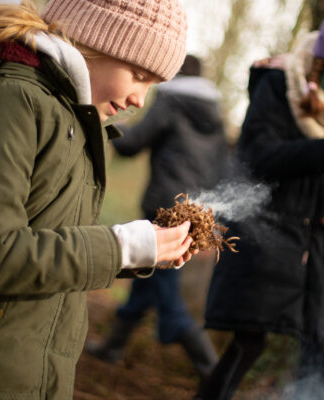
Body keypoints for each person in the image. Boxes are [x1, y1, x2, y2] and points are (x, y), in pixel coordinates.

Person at [0, 0, 193, 398]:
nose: (139, 100)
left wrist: (140, 250)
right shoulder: (14, 100)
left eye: (153, 85)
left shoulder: (82, 126)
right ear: (95, 42)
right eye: (138, 75)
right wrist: (120, 247)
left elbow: (51, 244)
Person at [200, 1, 324, 399]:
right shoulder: (279, 85)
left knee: (315, 347)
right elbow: (255, 156)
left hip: (316, 247)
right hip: (267, 239)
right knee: (250, 344)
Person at [86, 54, 230, 394]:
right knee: (146, 281)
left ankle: (216, 377)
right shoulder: (216, 115)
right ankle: (113, 347)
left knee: (170, 298)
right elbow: (224, 168)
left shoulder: (172, 99)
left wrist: (103, 126)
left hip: (165, 213)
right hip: (196, 215)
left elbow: (134, 143)